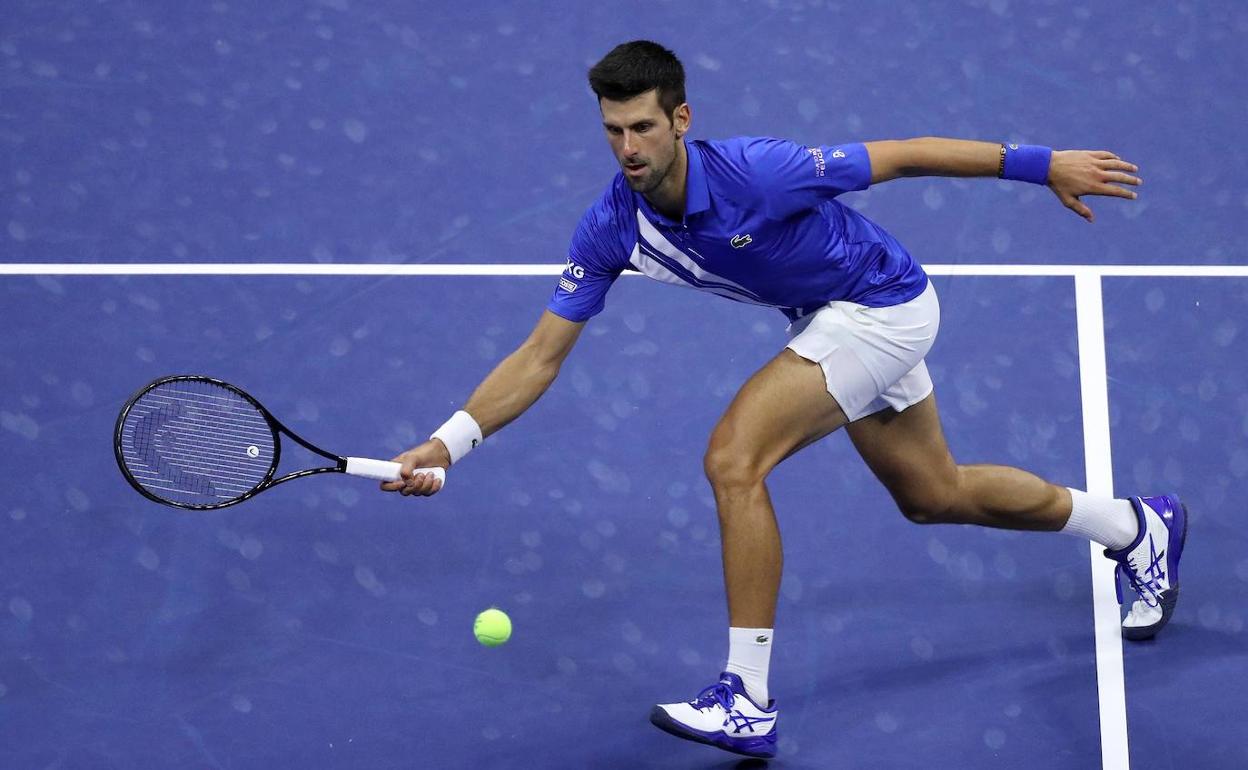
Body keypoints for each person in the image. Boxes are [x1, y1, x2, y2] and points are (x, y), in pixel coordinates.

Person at [380, 40, 1186, 759]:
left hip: (881, 307)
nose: (628, 149)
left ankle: (746, 698)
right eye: (613, 131)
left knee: (734, 459)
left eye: (644, 129)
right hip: (835, 317)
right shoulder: (610, 227)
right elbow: (539, 354)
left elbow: (900, 155)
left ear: (681, 119)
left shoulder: (760, 171)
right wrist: (449, 442)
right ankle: (1134, 527)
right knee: (935, 495)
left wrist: (1038, 163)